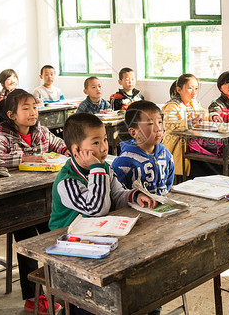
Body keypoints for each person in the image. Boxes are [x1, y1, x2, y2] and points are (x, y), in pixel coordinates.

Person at [49, 113, 156, 314]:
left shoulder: (105, 168)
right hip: (70, 251)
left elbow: (116, 195)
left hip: (100, 240)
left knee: (142, 284)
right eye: (96, 142)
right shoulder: (67, 181)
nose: (104, 147)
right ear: (76, 150)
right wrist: (96, 168)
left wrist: (134, 196)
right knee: (95, 300)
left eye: (105, 139)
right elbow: (97, 208)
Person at [0, 89, 69, 314]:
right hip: (15, 202)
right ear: (12, 115)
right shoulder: (1, 136)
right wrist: (25, 158)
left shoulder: (41, 131)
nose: (33, 112)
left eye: (34, 107)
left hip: (43, 197)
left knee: (54, 236)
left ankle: (56, 288)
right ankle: (32, 298)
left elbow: (59, 144)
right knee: (27, 244)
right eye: (26, 108)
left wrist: (70, 150)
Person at [162, 74, 221, 179]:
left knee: (216, 160)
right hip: (180, 146)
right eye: (190, 88)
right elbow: (169, 125)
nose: (194, 92)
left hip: (196, 144)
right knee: (206, 164)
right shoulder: (172, 106)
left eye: (196, 88)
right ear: (179, 89)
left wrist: (212, 116)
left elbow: (204, 114)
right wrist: (190, 122)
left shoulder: (194, 103)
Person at [112, 100, 174, 195]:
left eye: (160, 122)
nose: (158, 128)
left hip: (162, 206)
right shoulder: (123, 163)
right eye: (150, 124)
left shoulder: (165, 154)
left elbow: (168, 185)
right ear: (133, 132)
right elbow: (118, 194)